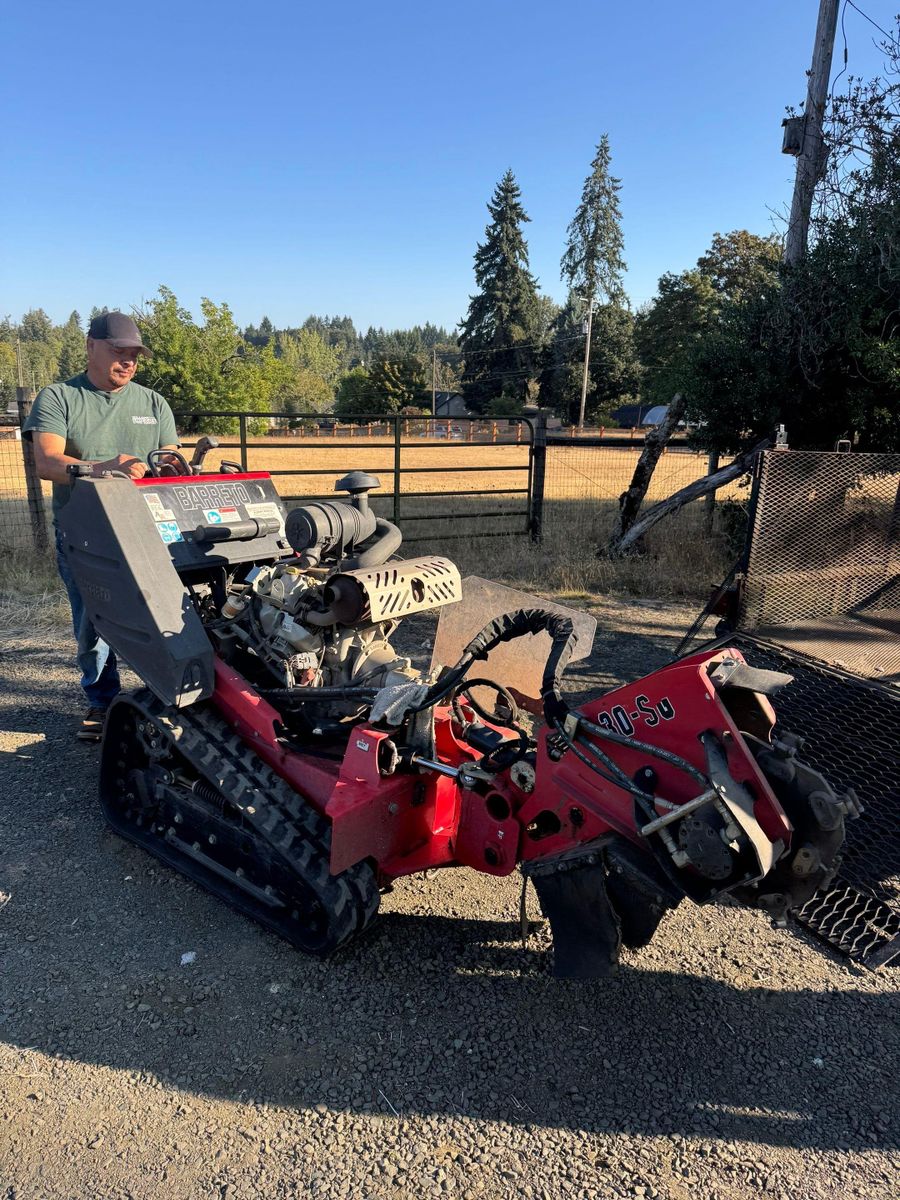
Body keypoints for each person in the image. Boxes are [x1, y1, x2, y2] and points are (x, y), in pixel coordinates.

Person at [22, 311, 181, 740]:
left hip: (149, 528)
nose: (128, 362)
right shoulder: (60, 397)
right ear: (91, 346)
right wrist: (103, 467)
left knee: (169, 614)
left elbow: (170, 460)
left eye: (135, 355)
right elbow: (47, 463)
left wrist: (172, 467)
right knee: (95, 622)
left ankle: (170, 695)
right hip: (86, 532)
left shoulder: (153, 403)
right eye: (118, 351)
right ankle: (102, 700)